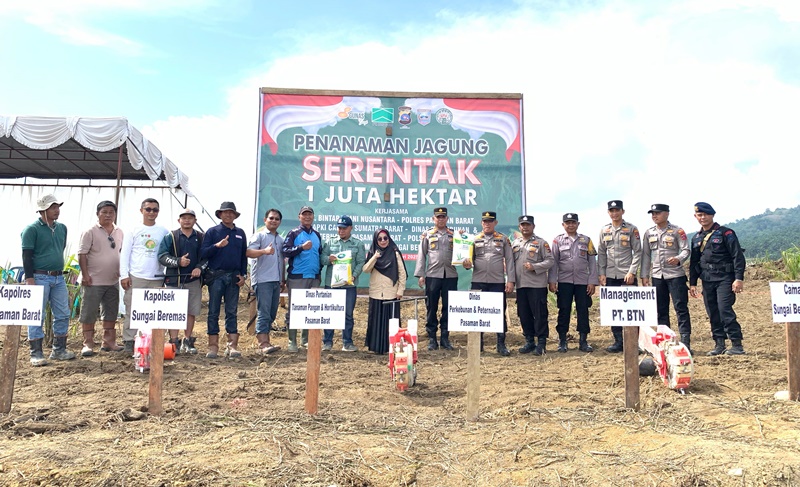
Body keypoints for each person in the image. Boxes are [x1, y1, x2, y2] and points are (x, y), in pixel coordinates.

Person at [21, 194, 75, 366]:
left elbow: (60, 248)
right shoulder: (31, 229)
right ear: (43, 210)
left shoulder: (62, 228)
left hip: (58, 276)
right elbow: (26, 256)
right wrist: (29, 278)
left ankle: (58, 350)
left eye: (58, 206)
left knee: (63, 313)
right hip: (39, 276)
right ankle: (36, 352)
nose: (57, 210)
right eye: (53, 207)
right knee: (36, 314)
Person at [689, 202, 747, 355]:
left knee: (724, 310)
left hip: (725, 279)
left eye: (705, 214)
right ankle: (719, 344)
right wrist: (693, 283)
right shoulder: (696, 238)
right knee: (713, 312)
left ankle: (737, 345)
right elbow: (694, 262)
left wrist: (738, 278)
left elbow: (737, 256)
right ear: (695, 217)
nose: (703, 217)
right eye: (699, 215)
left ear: (712, 215)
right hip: (707, 280)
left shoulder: (726, 233)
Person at [462, 211, 516, 356]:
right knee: (476, 313)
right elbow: (468, 261)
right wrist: (466, 265)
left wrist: (510, 280)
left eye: (490, 221)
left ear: (495, 223)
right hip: (478, 281)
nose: (487, 224)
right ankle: (478, 344)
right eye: (485, 221)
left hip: (497, 282)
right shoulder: (474, 239)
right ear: (481, 223)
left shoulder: (503, 239)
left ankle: (501, 344)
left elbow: (510, 260)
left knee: (499, 313)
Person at [640, 203, 692, 351]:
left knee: (680, 308)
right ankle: (665, 341)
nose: (654, 216)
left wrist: (678, 258)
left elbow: (686, 250)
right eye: (652, 214)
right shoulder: (649, 233)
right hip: (657, 275)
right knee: (661, 309)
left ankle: (686, 340)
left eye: (657, 213)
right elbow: (646, 256)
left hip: (675, 275)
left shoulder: (677, 231)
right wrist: (644, 275)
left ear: (667, 214)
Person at [120, 198, 169, 354]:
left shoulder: (164, 231)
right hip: (136, 276)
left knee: (155, 312)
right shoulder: (133, 230)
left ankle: (153, 341)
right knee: (132, 309)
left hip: (157, 277)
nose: (151, 212)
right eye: (148, 209)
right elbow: (125, 254)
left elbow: (167, 254)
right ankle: (129, 341)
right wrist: (124, 275)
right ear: (141, 211)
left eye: (155, 210)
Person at [77, 200, 124, 356]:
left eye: (111, 212)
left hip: (112, 280)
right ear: (98, 214)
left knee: (111, 311)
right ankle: (88, 343)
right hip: (92, 280)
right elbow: (82, 254)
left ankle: (109, 342)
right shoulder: (89, 231)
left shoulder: (119, 232)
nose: (108, 215)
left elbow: (120, 253)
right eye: (104, 212)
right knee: (89, 312)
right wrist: (85, 274)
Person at [201, 201, 248, 358]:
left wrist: (243, 275)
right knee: (213, 311)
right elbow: (203, 253)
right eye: (225, 212)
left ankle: (232, 345)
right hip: (216, 276)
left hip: (234, 276)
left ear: (235, 215)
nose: (228, 214)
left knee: (231, 311)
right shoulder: (212, 232)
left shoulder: (241, 232)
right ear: (220, 214)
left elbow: (243, 256)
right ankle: (213, 346)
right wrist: (217, 246)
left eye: (231, 212)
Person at [548, 213, 599, 353]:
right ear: (563, 225)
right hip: (564, 281)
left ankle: (583, 340)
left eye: (573, 222)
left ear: (578, 224)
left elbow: (592, 262)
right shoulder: (557, 241)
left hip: (583, 282)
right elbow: (554, 263)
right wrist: (552, 281)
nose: (570, 225)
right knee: (564, 310)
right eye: (567, 222)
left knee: (583, 310)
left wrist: (592, 281)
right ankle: (562, 340)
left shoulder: (586, 240)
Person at [158, 209, 205, 355]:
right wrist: (178, 261)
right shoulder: (170, 236)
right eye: (184, 218)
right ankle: (174, 341)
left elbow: (206, 257)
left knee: (191, 311)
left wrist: (199, 268)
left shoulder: (201, 237)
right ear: (179, 220)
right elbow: (162, 256)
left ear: (195, 220)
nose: (187, 220)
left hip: (193, 281)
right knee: (173, 312)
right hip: (173, 280)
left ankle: (187, 340)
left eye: (190, 218)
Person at [597, 200, 642, 353]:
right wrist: (601, 273)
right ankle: (618, 341)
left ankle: (635, 342)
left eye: (617, 210)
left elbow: (638, 252)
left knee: (631, 309)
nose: (614, 213)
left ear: (623, 211)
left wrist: (632, 271)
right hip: (610, 275)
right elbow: (601, 252)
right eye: (611, 211)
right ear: (608, 213)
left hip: (626, 275)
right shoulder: (604, 230)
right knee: (613, 309)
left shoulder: (631, 229)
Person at [414, 207, 458, 351]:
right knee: (431, 307)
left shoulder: (455, 235)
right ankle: (432, 338)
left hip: (450, 275)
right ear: (434, 219)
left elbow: (462, 251)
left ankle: (445, 337)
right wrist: (421, 274)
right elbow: (422, 255)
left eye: (443, 217)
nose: (440, 219)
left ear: (447, 219)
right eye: (438, 217)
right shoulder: (427, 234)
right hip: (432, 275)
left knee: (449, 307)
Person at [320, 215, 366, 352]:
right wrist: (329, 259)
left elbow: (361, 262)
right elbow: (322, 259)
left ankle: (347, 342)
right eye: (339, 228)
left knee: (348, 314)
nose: (341, 230)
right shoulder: (329, 242)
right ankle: (327, 342)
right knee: (330, 313)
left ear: (350, 228)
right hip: (332, 284)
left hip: (349, 284)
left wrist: (354, 275)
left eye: (344, 228)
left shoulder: (358, 244)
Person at [512, 215, 554, 355]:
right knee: (524, 314)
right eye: (523, 225)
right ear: (519, 227)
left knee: (540, 314)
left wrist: (535, 266)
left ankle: (541, 343)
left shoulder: (541, 243)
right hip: (521, 285)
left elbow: (550, 261)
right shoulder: (515, 243)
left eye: (528, 225)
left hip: (537, 285)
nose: (525, 227)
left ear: (533, 226)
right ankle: (529, 341)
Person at [282, 205, 322, 352]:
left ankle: (305, 340)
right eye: (304, 214)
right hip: (297, 277)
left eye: (310, 214)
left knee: (310, 309)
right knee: (295, 309)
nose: (307, 217)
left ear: (313, 217)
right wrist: (300, 248)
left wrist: (318, 274)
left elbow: (319, 255)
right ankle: (292, 341)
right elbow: (285, 250)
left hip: (314, 278)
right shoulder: (294, 233)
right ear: (299, 217)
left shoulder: (317, 234)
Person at [246, 208, 285, 355]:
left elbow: (282, 262)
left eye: (276, 219)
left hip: (276, 281)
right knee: (264, 312)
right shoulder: (259, 236)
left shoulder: (281, 240)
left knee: (272, 312)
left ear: (280, 222)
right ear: (265, 220)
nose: (274, 220)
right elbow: (248, 252)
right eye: (271, 218)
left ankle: (266, 341)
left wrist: (283, 280)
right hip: (262, 280)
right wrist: (264, 251)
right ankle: (263, 344)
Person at [363, 229, 407, 354]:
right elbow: (366, 269)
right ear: (375, 240)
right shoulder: (373, 252)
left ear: (389, 239)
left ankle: (392, 347)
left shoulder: (395, 252)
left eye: (385, 238)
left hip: (391, 293)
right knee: (376, 321)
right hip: (376, 293)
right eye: (380, 239)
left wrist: (400, 290)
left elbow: (402, 273)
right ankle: (376, 348)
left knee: (391, 322)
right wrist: (375, 258)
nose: (383, 241)